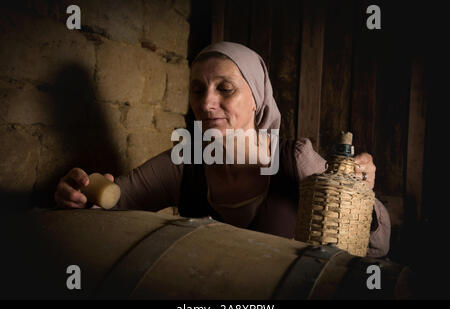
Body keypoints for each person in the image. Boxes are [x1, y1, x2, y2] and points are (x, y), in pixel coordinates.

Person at [54, 42, 390, 257]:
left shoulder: (293, 160)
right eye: (198, 90)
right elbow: (113, 203)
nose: (206, 102)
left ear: (256, 98)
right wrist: (78, 194)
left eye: (225, 88)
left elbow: (375, 246)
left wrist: (362, 193)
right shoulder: (185, 162)